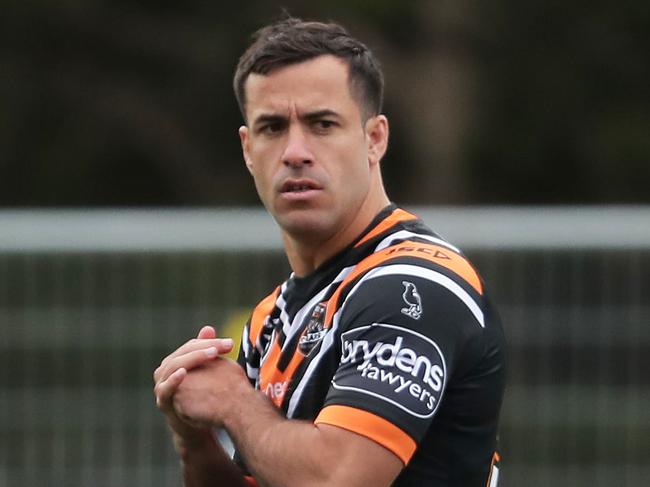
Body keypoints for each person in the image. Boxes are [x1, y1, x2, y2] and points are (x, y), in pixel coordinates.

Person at [154, 16, 506, 487]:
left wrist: (235, 404)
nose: (295, 151)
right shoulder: (272, 317)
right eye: (273, 127)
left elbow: (342, 478)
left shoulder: (412, 285)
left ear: (374, 138)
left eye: (322, 124)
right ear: (247, 149)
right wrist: (194, 439)